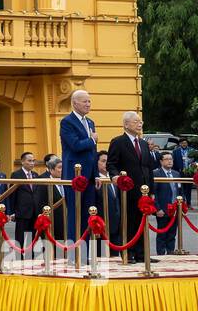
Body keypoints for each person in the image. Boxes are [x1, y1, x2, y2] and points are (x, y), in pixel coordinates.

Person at [107, 111, 159, 263]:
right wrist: (115, 176)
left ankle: (142, 254)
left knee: (142, 222)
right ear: (126, 124)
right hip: (127, 190)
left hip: (144, 191)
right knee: (128, 221)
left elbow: (149, 168)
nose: (140, 124)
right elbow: (111, 163)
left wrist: (152, 191)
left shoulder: (142, 143)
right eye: (136, 121)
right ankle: (127, 253)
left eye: (140, 121)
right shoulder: (118, 141)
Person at [60, 89, 99, 241]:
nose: (88, 104)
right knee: (74, 215)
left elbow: (92, 152)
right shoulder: (67, 122)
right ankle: (73, 252)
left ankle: (86, 251)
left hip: (89, 176)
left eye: (89, 101)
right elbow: (75, 145)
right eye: (85, 101)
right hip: (74, 175)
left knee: (88, 214)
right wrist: (92, 140)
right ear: (75, 103)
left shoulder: (90, 122)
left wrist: (96, 174)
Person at [10, 151, 41, 257]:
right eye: (29, 161)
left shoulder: (36, 175)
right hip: (22, 211)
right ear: (23, 162)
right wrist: (12, 211)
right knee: (20, 236)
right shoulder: (16, 175)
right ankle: (18, 256)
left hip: (34, 211)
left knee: (32, 237)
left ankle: (30, 256)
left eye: (33, 161)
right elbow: (12, 194)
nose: (32, 163)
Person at [153, 151, 180, 256]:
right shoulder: (156, 174)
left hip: (175, 209)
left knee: (172, 233)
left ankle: (171, 252)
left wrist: (182, 206)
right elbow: (154, 193)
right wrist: (157, 209)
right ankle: (160, 253)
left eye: (171, 159)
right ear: (161, 161)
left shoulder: (176, 174)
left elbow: (180, 191)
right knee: (162, 233)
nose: (170, 161)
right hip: (163, 209)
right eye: (167, 159)